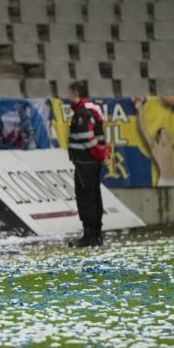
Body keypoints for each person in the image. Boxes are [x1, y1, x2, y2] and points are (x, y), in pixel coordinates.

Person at [67, 81, 110, 247]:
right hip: (90, 162)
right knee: (93, 196)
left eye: (71, 93)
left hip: (84, 161)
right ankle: (95, 234)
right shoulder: (91, 111)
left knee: (86, 198)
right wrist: (102, 155)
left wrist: (99, 154)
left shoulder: (82, 114)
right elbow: (100, 137)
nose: (69, 97)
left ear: (77, 94)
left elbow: (88, 139)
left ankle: (91, 235)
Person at [134, 96, 174, 187]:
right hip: (164, 182)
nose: (167, 135)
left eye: (167, 134)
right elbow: (143, 128)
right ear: (159, 137)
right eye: (165, 134)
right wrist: (140, 110)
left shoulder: (169, 145)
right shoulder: (155, 147)